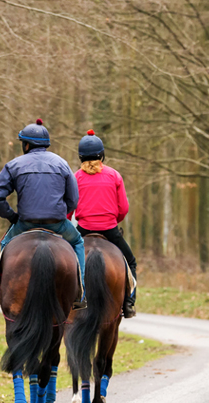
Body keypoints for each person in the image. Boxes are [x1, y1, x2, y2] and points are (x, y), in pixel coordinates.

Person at [0, 118, 86, 309]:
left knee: (7, 243)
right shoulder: (62, 164)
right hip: (57, 223)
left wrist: (11, 216)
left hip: (26, 223)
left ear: (26, 145)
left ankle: (3, 288)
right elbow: (73, 200)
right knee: (77, 242)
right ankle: (81, 292)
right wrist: (59, 213)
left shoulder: (14, 165)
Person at [72, 129, 137, 318]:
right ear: (102, 155)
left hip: (83, 230)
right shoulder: (114, 176)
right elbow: (123, 208)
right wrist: (112, 221)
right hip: (109, 229)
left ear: (80, 156)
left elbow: (68, 207)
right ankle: (129, 302)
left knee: (62, 261)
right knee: (130, 261)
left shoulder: (75, 177)